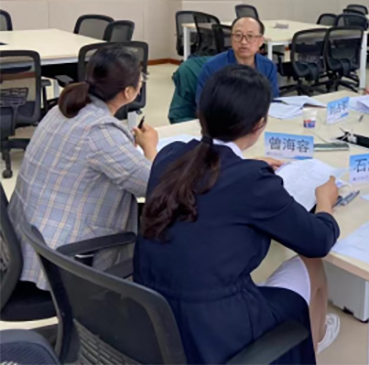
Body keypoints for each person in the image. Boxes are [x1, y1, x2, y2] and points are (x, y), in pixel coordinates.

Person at [135, 66, 341, 364]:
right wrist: (325, 202)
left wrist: (243, 163)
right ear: (260, 123)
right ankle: (313, 341)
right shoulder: (252, 181)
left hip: (154, 318)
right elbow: (318, 240)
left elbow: (206, 180)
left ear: (202, 113)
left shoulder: (169, 155)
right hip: (214, 333)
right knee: (311, 262)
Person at [9, 46, 157, 290]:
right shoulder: (100, 131)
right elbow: (154, 185)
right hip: (63, 260)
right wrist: (150, 147)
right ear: (129, 92)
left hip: (28, 242)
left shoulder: (63, 109)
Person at [195, 17, 279, 106]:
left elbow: (273, 102)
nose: (243, 42)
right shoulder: (212, 67)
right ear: (231, 38)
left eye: (250, 36)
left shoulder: (268, 67)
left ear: (261, 41)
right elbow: (202, 104)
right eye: (238, 35)